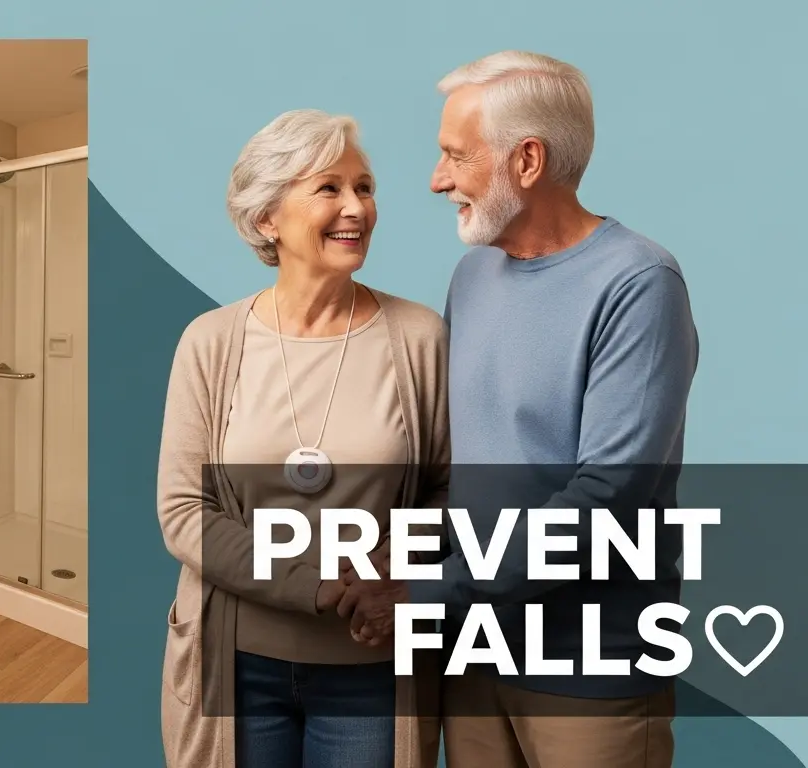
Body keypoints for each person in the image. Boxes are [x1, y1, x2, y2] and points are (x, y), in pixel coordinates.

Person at [338, 51, 699, 767]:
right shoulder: (473, 275)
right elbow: (475, 472)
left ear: (527, 161)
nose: (437, 180)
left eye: (455, 156)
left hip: (587, 669)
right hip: (475, 652)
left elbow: (608, 495)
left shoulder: (639, 283)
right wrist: (392, 559)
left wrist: (426, 592)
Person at [156, 109, 449, 768]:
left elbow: (450, 495)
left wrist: (388, 571)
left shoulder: (419, 337)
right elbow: (184, 514)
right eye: (329, 188)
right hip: (234, 666)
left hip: (372, 666)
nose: (358, 208)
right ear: (267, 218)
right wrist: (317, 584)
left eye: (366, 187)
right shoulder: (211, 342)